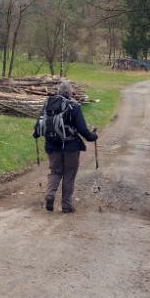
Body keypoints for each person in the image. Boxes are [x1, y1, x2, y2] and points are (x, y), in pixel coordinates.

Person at [33, 81, 97, 213]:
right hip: (71, 147)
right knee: (69, 174)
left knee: (55, 171)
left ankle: (50, 194)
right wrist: (93, 136)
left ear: (58, 91)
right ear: (70, 92)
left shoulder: (48, 104)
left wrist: (36, 134)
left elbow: (38, 124)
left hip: (52, 145)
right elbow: (82, 129)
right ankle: (66, 206)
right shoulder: (74, 106)